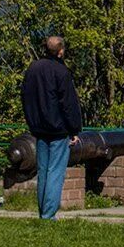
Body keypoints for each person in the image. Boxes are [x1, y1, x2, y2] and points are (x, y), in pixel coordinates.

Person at [20, 36, 83, 220]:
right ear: (61, 50)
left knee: (43, 172)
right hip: (58, 129)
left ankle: (43, 211)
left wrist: (32, 121)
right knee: (55, 172)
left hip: (39, 128)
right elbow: (68, 104)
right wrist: (74, 130)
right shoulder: (61, 71)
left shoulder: (33, 68)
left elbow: (25, 96)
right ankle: (48, 214)